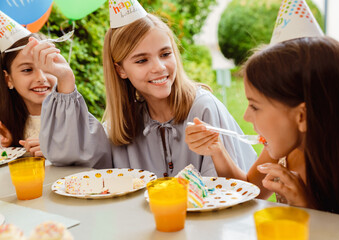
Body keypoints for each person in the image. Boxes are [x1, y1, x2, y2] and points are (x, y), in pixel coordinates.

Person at [39, 2, 257, 178]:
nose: (159, 68)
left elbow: (230, 188)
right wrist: (66, 80)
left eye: (165, 54)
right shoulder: (123, 123)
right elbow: (79, 160)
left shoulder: (202, 109)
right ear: (121, 70)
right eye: (142, 60)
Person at [185, 36, 339, 218]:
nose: (245, 116)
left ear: (301, 116)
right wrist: (217, 150)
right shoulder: (284, 149)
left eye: (255, 106)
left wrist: (305, 208)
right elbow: (250, 191)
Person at [0, 11, 58, 157]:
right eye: (27, 70)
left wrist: (59, 149)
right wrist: (6, 143)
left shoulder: (71, 116)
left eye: (48, 66)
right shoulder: (6, 123)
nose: (41, 77)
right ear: (9, 79)